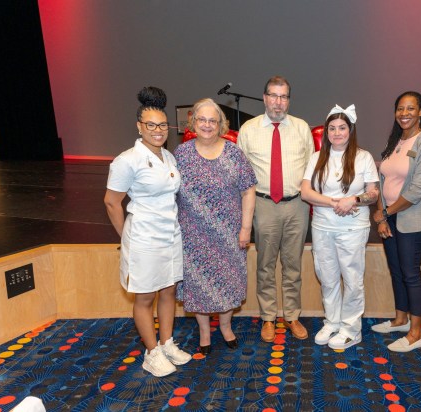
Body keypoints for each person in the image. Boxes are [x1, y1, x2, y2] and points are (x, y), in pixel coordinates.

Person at [104, 86, 191, 377]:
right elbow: (112, 202)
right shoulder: (127, 160)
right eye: (151, 125)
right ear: (139, 126)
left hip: (170, 235)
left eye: (162, 125)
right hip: (144, 237)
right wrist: (126, 237)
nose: (157, 130)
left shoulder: (169, 157)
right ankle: (151, 352)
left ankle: (166, 343)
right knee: (144, 298)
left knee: (168, 290)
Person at [175, 98, 257, 355]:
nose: (207, 125)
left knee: (228, 283)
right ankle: (203, 332)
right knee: (198, 284)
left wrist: (245, 229)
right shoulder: (181, 154)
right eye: (202, 120)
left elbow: (249, 191)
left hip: (229, 234)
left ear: (221, 124)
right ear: (193, 122)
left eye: (213, 120)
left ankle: (225, 326)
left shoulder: (234, 153)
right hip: (193, 236)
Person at [237, 76, 315, 342]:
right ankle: (268, 317)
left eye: (283, 97)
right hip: (263, 205)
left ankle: (292, 316)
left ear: (289, 100)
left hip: (297, 205)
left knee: (293, 266)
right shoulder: (248, 129)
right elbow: (241, 173)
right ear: (264, 97)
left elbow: (311, 168)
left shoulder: (302, 128)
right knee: (266, 265)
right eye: (273, 95)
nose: (278, 102)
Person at [301, 104, 379, 349]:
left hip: (353, 229)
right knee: (328, 277)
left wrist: (353, 200)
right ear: (326, 131)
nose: (336, 133)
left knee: (352, 279)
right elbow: (305, 192)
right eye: (332, 128)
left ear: (350, 130)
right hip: (323, 227)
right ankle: (332, 322)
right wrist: (336, 202)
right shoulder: (317, 157)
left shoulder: (363, 157)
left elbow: (373, 194)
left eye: (342, 128)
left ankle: (351, 328)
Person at [370, 91, 421, 352]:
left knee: (411, 274)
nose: (405, 113)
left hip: (413, 217)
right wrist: (382, 215)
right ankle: (400, 320)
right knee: (397, 270)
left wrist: (385, 213)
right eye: (400, 109)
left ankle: (416, 332)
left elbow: (418, 187)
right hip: (390, 216)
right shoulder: (396, 140)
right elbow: (381, 181)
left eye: (411, 108)